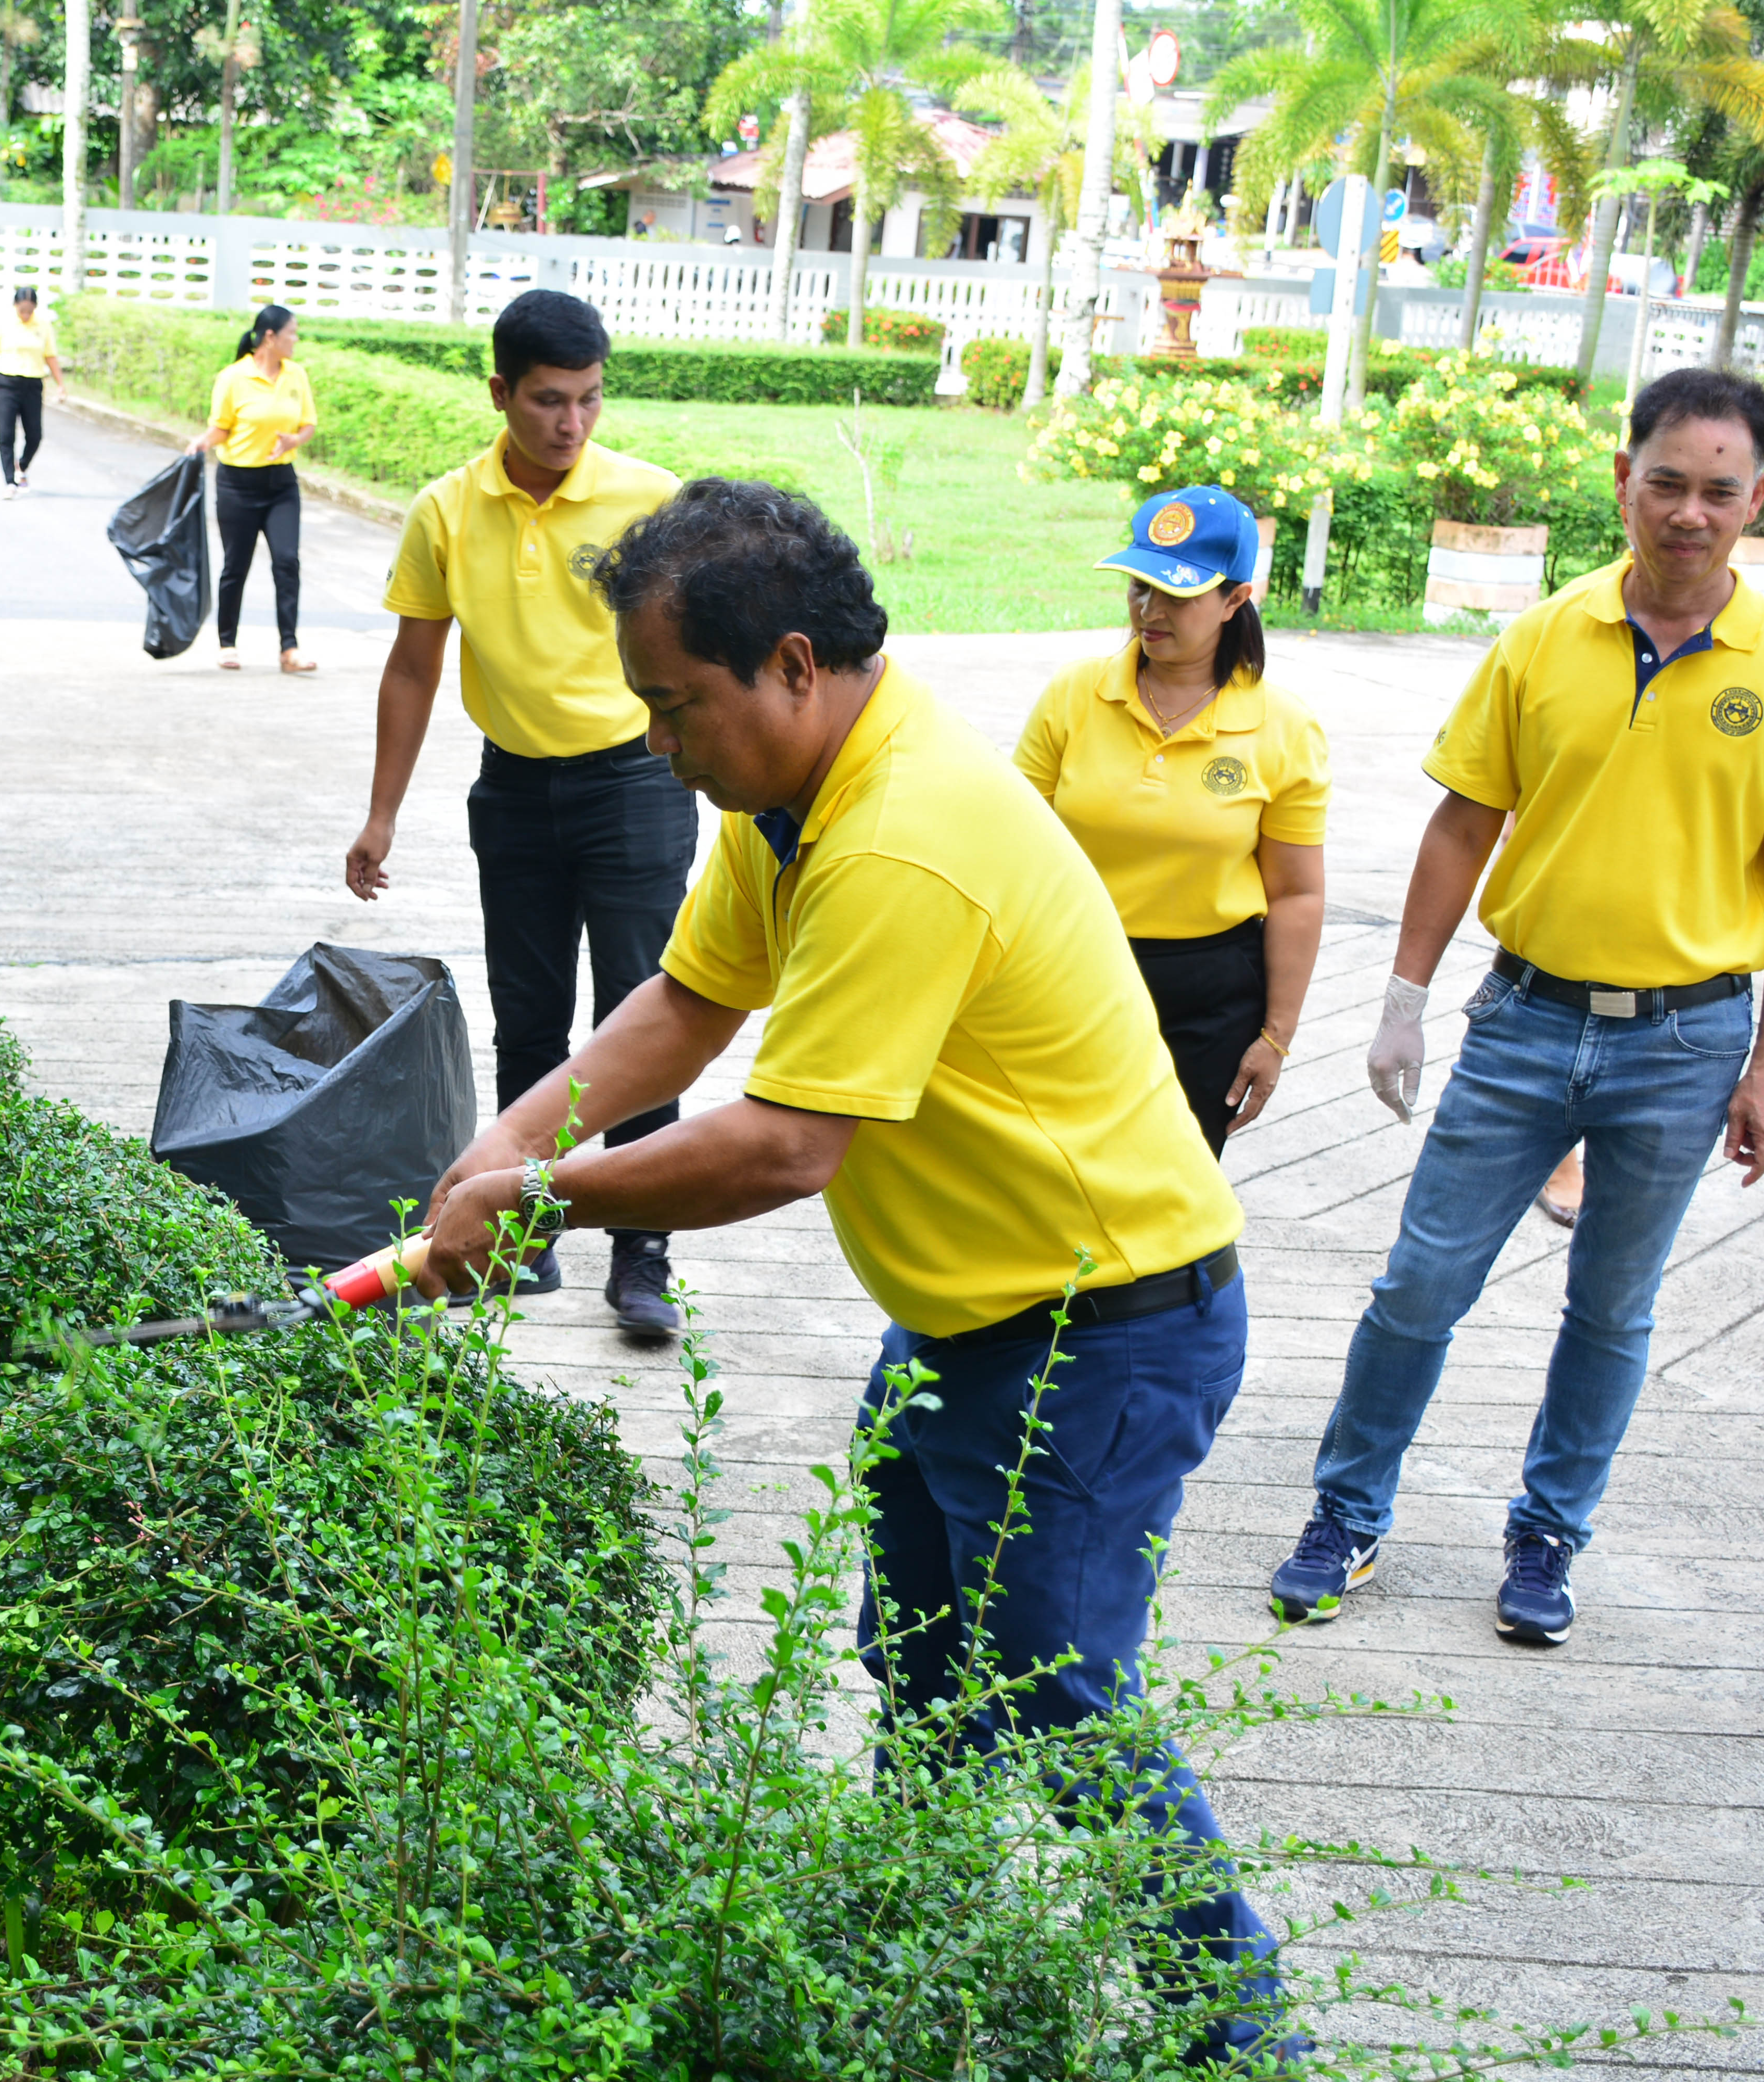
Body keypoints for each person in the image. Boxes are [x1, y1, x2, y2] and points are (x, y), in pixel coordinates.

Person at [411, 480, 1293, 2064]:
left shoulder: (901, 832)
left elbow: (780, 1146)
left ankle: (1237, 2032)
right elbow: (689, 1000)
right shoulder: (792, 794)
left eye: (675, 705)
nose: (655, 743)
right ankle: (910, 1969)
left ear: (794, 666)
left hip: (1100, 1331)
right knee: (927, 1672)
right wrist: (501, 1149)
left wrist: (533, 1204)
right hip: (961, 1321)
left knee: (1054, 1696)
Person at [1267, 367, 1764, 1647]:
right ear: (1623, 478)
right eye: (1668, 482)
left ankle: (1548, 1534)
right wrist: (1403, 999)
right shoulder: (1541, 639)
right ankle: (1346, 1512)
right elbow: (1463, 824)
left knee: (1611, 1307)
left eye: (1720, 491)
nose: (1690, 512)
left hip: (1688, 1041)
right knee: (1419, 1285)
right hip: (1525, 1020)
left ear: (1758, 498)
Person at [345, 288, 693, 1336]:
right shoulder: (447, 511)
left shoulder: (650, 501)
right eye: (548, 400)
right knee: (530, 1017)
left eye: (589, 399)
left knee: (641, 1016)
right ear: (499, 392)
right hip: (514, 791)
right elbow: (414, 667)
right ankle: (524, 1233)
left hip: (637, 784)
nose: (571, 422)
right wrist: (381, 814)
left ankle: (642, 1254)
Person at [1016, 485, 1328, 1157]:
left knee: (1172, 1178)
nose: (1149, 611)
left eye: (1177, 596)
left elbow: (1296, 893)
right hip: (1072, 970)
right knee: (1054, 1169)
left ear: (1236, 599)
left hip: (1209, 995)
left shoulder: (1284, 727)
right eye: (1139, 587)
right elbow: (1011, 849)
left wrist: (1276, 1037)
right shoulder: (1074, 696)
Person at [188, 304, 318, 674]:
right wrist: (201, 442)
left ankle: (289, 649)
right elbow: (222, 429)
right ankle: (227, 643)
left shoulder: (296, 375)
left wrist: (294, 440)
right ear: (270, 337)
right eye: (292, 332)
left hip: (281, 485)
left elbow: (308, 424)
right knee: (236, 565)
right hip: (238, 484)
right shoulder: (233, 378)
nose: (296, 339)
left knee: (287, 562)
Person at [0, 284, 64, 500]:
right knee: (6, 435)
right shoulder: (3, 323)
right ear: (15, 306)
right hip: (7, 383)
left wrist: (61, 384)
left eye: (30, 311)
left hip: (33, 384)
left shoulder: (43, 325)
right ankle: (10, 482)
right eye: (22, 310)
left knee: (35, 435)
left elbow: (50, 356)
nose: (26, 315)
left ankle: (21, 467)